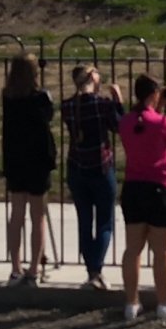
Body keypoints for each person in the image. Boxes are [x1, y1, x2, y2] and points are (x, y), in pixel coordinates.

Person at [116, 75, 166, 323]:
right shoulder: (162, 123)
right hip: (160, 189)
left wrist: (157, 107)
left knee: (133, 249)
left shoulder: (126, 122)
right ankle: (164, 302)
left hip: (134, 189)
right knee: (162, 250)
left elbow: (142, 123)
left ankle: (131, 302)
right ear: (154, 94)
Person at [57, 66, 125, 291]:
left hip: (77, 168)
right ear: (90, 78)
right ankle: (96, 270)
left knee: (84, 222)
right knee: (105, 221)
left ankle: (91, 272)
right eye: (96, 73)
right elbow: (119, 127)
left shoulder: (67, 106)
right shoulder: (102, 104)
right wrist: (118, 101)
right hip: (101, 167)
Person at [0, 56, 57, 286]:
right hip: (38, 159)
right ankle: (33, 268)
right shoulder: (40, 97)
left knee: (16, 215)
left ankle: (15, 267)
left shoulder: (8, 96)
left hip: (15, 158)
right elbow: (48, 118)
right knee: (37, 216)